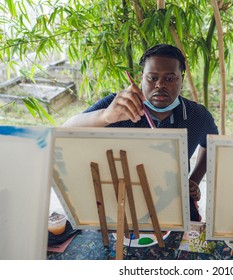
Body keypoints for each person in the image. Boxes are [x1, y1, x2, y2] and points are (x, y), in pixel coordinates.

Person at [63, 44, 219, 222]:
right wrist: (106, 116)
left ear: (181, 79)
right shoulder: (118, 105)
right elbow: (66, 130)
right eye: (152, 78)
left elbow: (212, 143)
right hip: (120, 205)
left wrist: (195, 180)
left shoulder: (196, 115)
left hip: (175, 204)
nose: (160, 85)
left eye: (169, 78)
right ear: (141, 78)